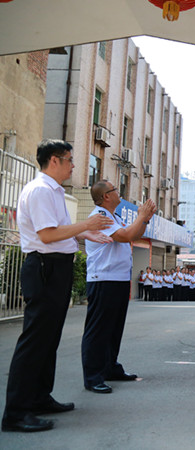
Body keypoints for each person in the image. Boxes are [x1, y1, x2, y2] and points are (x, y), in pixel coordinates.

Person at [2, 139, 113, 432]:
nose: (74, 165)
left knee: (48, 339)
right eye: (69, 159)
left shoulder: (53, 191)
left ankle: (39, 397)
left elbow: (59, 233)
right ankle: (15, 412)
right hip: (44, 268)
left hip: (56, 267)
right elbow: (47, 235)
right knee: (35, 341)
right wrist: (86, 227)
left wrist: (84, 235)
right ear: (54, 160)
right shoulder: (40, 191)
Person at [81, 180, 156, 394]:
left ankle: (110, 367)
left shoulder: (115, 216)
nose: (118, 192)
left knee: (113, 328)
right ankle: (93, 376)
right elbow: (124, 236)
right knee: (98, 330)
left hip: (118, 279)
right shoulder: (100, 217)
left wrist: (145, 219)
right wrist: (141, 216)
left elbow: (134, 234)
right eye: (114, 189)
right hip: (103, 278)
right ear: (106, 196)